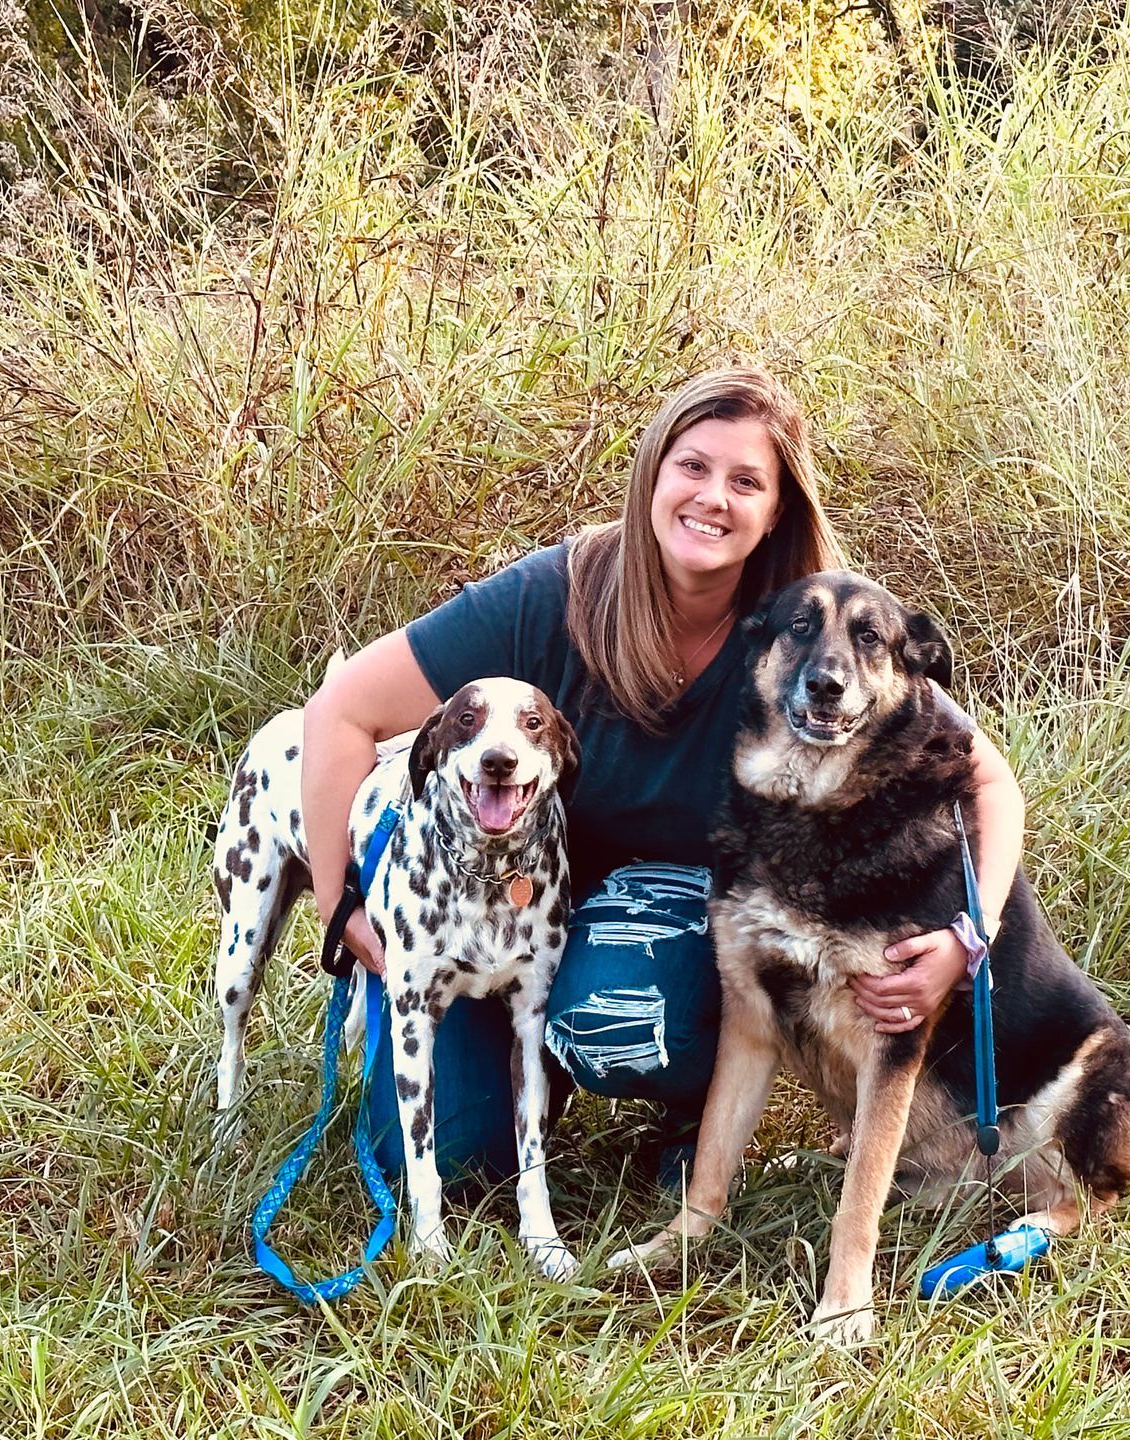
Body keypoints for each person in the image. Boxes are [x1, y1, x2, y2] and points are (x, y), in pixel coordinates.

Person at [300, 366, 1028, 1185]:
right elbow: (340, 712)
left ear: (776, 509)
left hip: (687, 916)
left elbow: (990, 786)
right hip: (505, 896)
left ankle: (687, 1113)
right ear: (652, 471)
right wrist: (338, 907)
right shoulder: (554, 594)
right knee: (449, 1157)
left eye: (746, 481)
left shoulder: (804, 628)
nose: (713, 497)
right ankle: (521, 1049)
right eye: (693, 466)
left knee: (625, 1017)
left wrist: (970, 938)